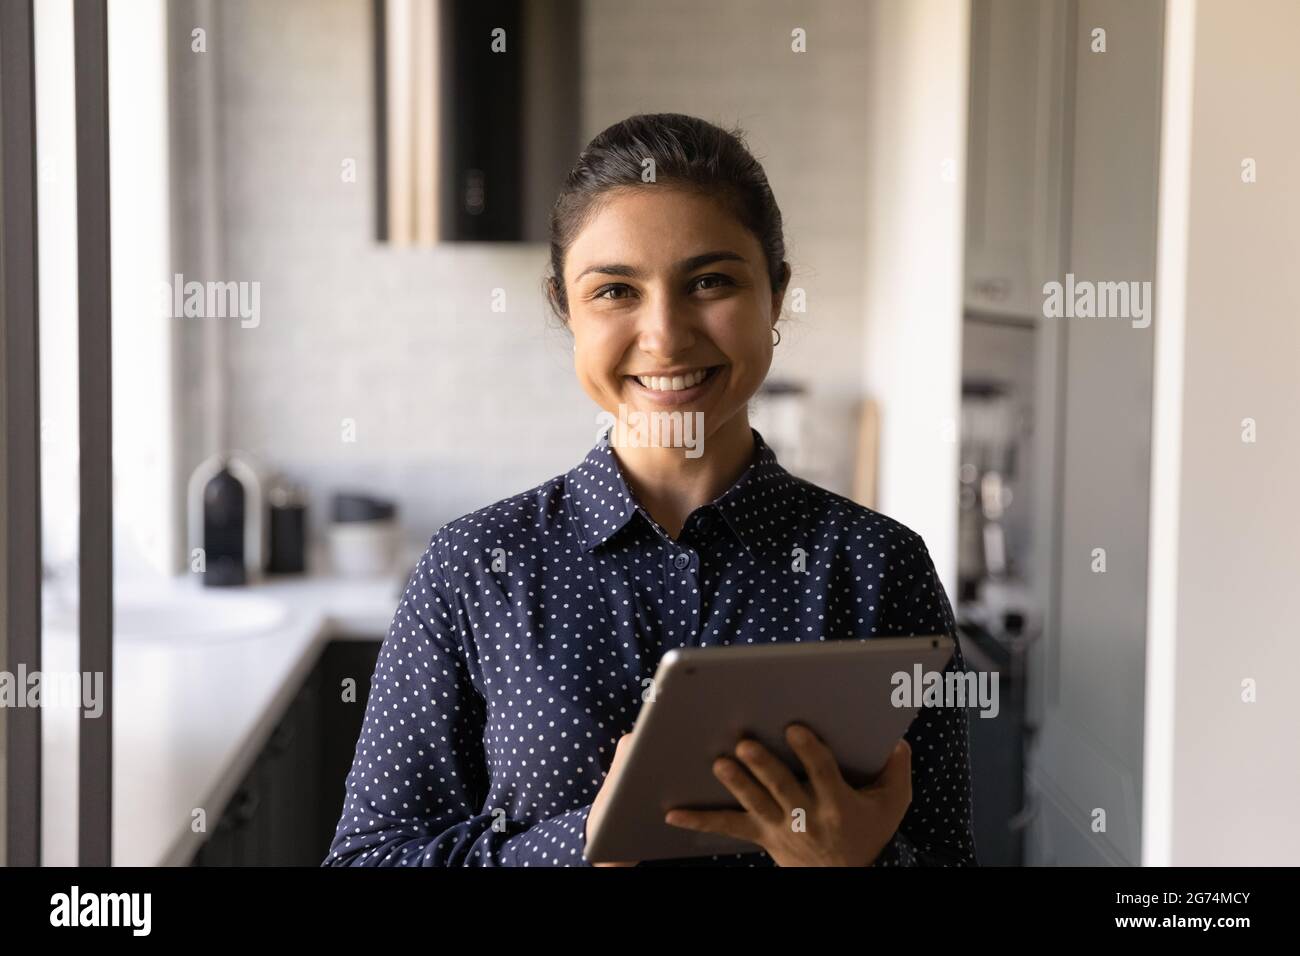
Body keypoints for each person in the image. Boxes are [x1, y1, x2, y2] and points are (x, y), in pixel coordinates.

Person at [323, 113, 977, 867]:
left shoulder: (878, 569)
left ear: (776, 295)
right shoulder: (474, 567)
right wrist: (579, 847)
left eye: (710, 281)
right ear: (566, 309)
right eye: (614, 292)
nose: (664, 335)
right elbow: (367, 859)